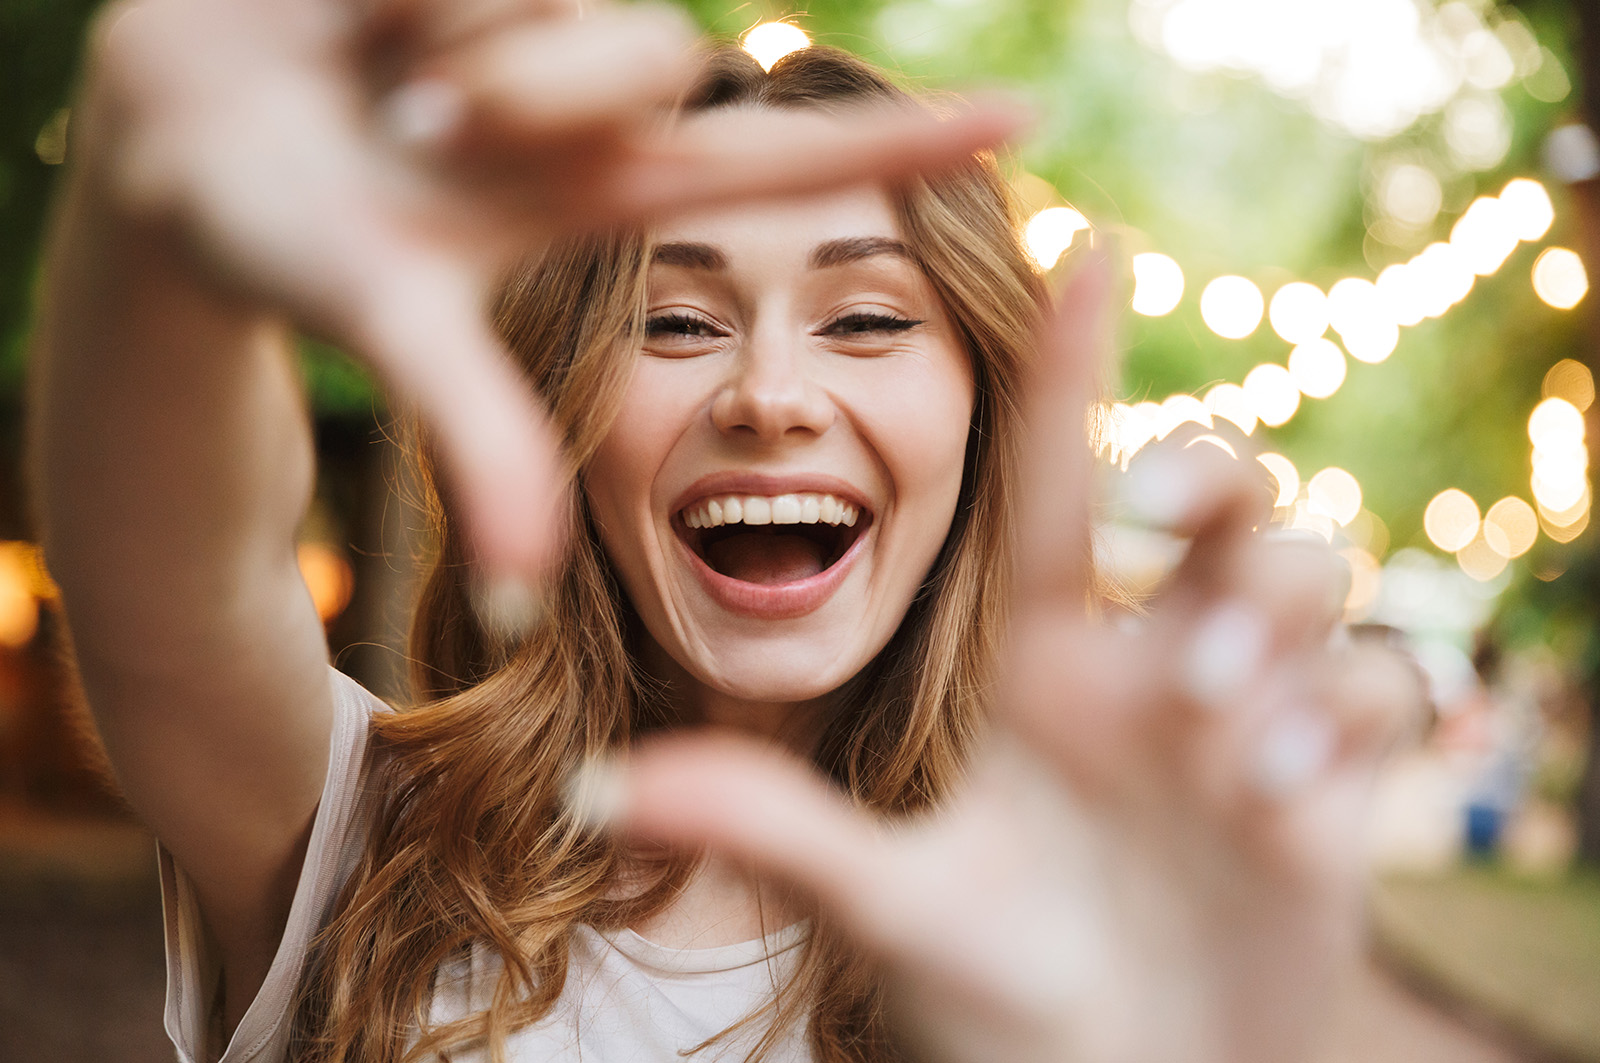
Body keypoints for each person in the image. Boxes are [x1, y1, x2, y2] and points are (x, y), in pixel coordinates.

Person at [28, 1, 1421, 1061]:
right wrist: (156, 255)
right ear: (566, 407)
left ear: (987, 418)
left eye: (868, 319)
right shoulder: (362, 841)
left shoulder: (1116, 911)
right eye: (676, 323)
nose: (766, 395)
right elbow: (173, 577)